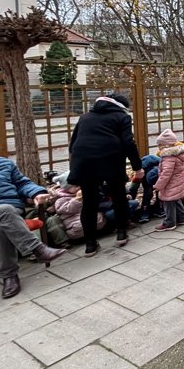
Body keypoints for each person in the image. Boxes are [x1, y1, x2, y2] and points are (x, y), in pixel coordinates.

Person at [0, 134, 66, 299]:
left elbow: (22, 183)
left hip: (11, 212)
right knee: (4, 211)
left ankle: (9, 276)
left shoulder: (1, 163)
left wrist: (37, 192)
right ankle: (38, 249)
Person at [68, 93, 144, 257]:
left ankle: (90, 244)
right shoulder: (121, 117)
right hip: (111, 159)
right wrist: (137, 167)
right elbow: (128, 142)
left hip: (84, 161)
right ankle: (121, 233)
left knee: (89, 202)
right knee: (118, 196)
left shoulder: (85, 117)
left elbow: (73, 143)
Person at [153, 128, 184, 231]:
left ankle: (170, 222)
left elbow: (165, 174)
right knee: (175, 199)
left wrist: (158, 186)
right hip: (177, 181)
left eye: (159, 145)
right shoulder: (179, 154)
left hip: (170, 184)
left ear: (165, 145)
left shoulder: (169, 157)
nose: (158, 147)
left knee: (168, 202)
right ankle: (182, 217)